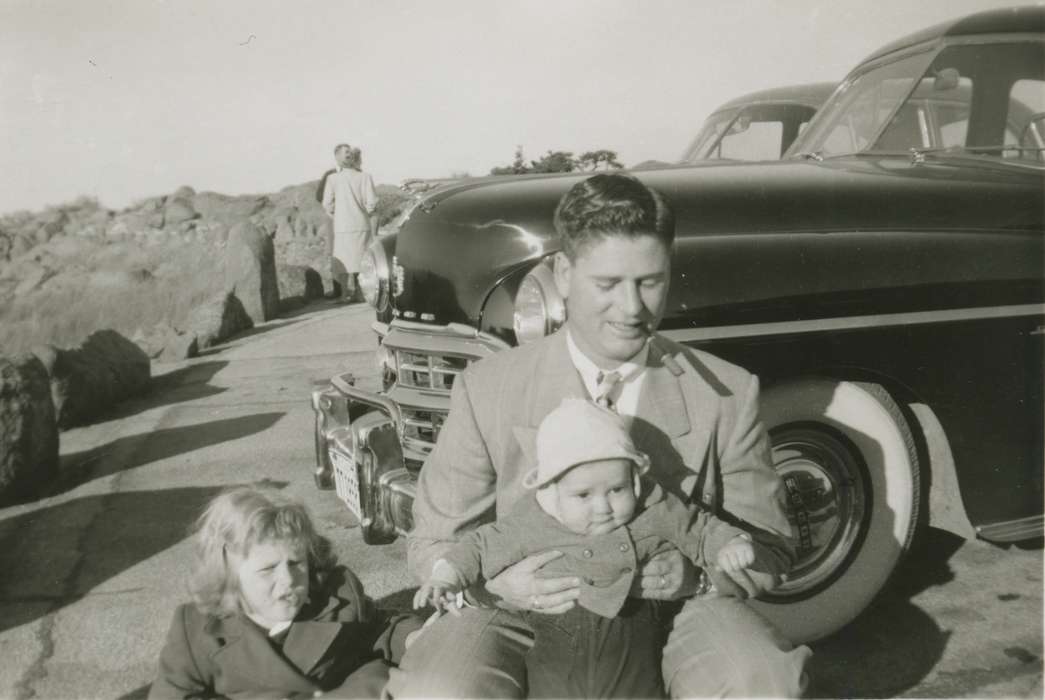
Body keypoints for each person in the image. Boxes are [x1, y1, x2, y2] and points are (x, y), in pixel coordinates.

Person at [391, 172, 811, 698]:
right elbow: (433, 539)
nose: (633, 309)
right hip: (519, 609)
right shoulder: (489, 388)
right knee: (436, 690)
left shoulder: (726, 392)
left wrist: (697, 578)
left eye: (650, 281)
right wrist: (493, 586)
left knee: (761, 682)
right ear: (563, 273)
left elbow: (771, 547)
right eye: (608, 284)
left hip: (677, 613)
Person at [412, 398, 787, 697]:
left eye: (616, 489)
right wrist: (446, 575)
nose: (603, 506)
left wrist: (730, 545)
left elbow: (701, 529)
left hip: (633, 633)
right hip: (557, 635)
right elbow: (477, 546)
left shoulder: (656, 509)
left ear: (636, 482)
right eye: (583, 495)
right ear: (552, 492)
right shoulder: (534, 522)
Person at [149, 486, 421, 699]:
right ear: (229, 573)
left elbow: (379, 629)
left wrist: (414, 636)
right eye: (267, 569)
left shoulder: (335, 596)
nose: (288, 580)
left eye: (295, 563)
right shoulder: (197, 630)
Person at [322, 144, 379, 302]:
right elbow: (372, 203)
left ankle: (344, 294)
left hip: (342, 226)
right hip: (361, 224)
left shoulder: (332, 179)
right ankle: (360, 294)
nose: (348, 155)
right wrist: (366, 212)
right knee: (361, 260)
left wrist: (337, 214)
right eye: (346, 152)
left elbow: (327, 204)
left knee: (343, 262)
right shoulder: (365, 177)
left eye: (348, 152)